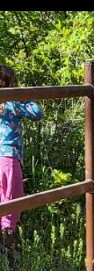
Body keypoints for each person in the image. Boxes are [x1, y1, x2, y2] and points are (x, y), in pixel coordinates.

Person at [0, 64, 44, 257]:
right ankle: (10, 249)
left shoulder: (12, 102)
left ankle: (10, 246)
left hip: (10, 156)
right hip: (7, 156)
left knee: (12, 198)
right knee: (10, 201)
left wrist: (12, 101)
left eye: (5, 82)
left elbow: (37, 111)